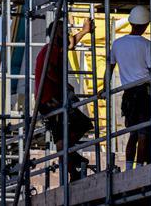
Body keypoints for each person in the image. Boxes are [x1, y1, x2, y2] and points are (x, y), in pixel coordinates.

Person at [35, 16, 95, 181]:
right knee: (76, 128)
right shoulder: (51, 50)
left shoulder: (56, 48)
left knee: (68, 133)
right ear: (56, 34)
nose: (67, 33)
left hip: (51, 100)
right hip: (51, 100)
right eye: (63, 30)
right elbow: (49, 72)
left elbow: (71, 43)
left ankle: (70, 163)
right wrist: (64, 86)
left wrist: (84, 31)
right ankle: (68, 156)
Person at [105, 5, 151, 169]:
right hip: (143, 93)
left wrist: (104, 88)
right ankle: (139, 169)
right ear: (145, 25)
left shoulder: (118, 44)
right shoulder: (147, 45)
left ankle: (128, 167)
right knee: (143, 134)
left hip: (128, 93)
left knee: (133, 133)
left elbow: (110, 67)